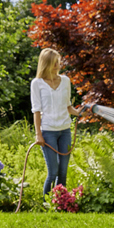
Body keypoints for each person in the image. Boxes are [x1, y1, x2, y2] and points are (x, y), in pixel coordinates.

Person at [30, 48, 84, 197]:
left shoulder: (65, 81)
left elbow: (68, 106)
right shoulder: (37, 83)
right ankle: (46, 205)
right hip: (48, 132)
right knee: (53, 172)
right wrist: (38, 134)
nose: (57, 66)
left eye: (58, 63)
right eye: (54, 63)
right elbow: (36, 110)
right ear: (46, 64)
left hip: (65, 131)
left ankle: (61, 204)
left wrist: (80, 112)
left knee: (63, 172)